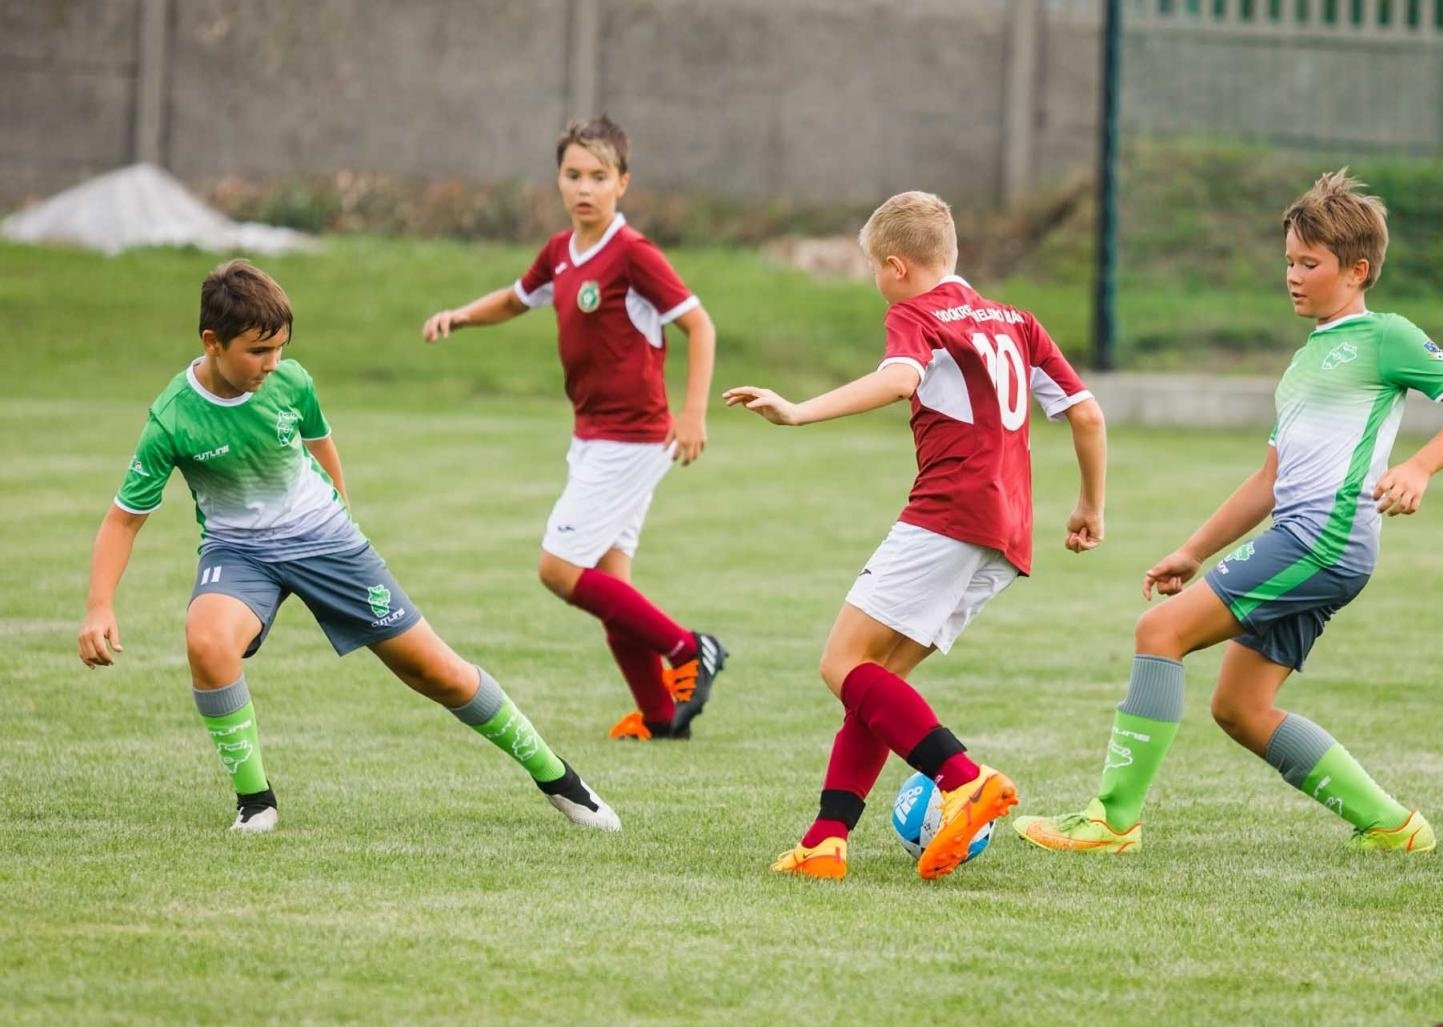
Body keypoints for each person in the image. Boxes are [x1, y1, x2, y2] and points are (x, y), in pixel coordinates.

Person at [1013, 170, 1443, 856]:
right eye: (1289, 263)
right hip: (1303, 534)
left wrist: (1419, 466)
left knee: (1160, 632)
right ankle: (1394, 826)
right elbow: (1269, 480)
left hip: (1324, 536)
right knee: (1239, 708)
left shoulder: (1385, 337)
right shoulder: (1306, 360)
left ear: (1358, 270)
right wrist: (1193, 549)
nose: (1294, 277)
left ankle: (1112, 820)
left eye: (1310, 263)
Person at [77, 260, 619, 833]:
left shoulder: (291, 382)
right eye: (257, 352)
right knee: (207, 642)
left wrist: (341, 523)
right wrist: (99, 606)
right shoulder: (172, 419)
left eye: (280, 349)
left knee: (439, 674)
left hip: (326, 542)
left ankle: (559, 778)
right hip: (239, 553)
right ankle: (256, 801)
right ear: (212, 343)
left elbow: (320, 443)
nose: (271, 365)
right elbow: (123, 521)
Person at [724, 191, 1107, 880]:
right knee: (879, 680)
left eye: (875, 268)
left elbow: (900, 378)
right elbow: (1086, 415)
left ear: (897, 265)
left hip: (947, 512)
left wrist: (799, 411)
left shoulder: (915, 314)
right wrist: (1089, 505)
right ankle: (826, 838)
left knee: (841, 665)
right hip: (1007, 528)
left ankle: (963, 777)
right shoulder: (1017, 320)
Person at [422, 115, 726, 742]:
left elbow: (700, 325)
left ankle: (689, 649)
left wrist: (693, 412)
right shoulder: (561, 252)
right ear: (559, 179)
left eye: (598, 176)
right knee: (610, 581)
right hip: (591, 437)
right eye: (572, 175)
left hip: (634, 437)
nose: (584, 187)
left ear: (622, 183)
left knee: (559, 569)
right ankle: (661, 717)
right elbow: (516, 297)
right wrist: (462, 316)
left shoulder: (634, 254)